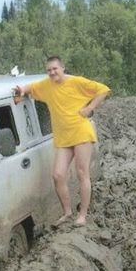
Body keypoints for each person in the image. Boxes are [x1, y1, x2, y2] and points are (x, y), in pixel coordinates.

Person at [13, 56, 110, 227]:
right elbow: (30, 88)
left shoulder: (76, 82)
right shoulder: (46, 85)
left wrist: (89, 108)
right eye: (49, 70)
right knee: (58, 175)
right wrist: (20, 90)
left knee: (82, 173)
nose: (52, 72)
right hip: (63, 137)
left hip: (80, 132)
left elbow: (103, 90)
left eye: (55, 69)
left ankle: (82, 215)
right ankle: (67, 212)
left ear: (63, 68)